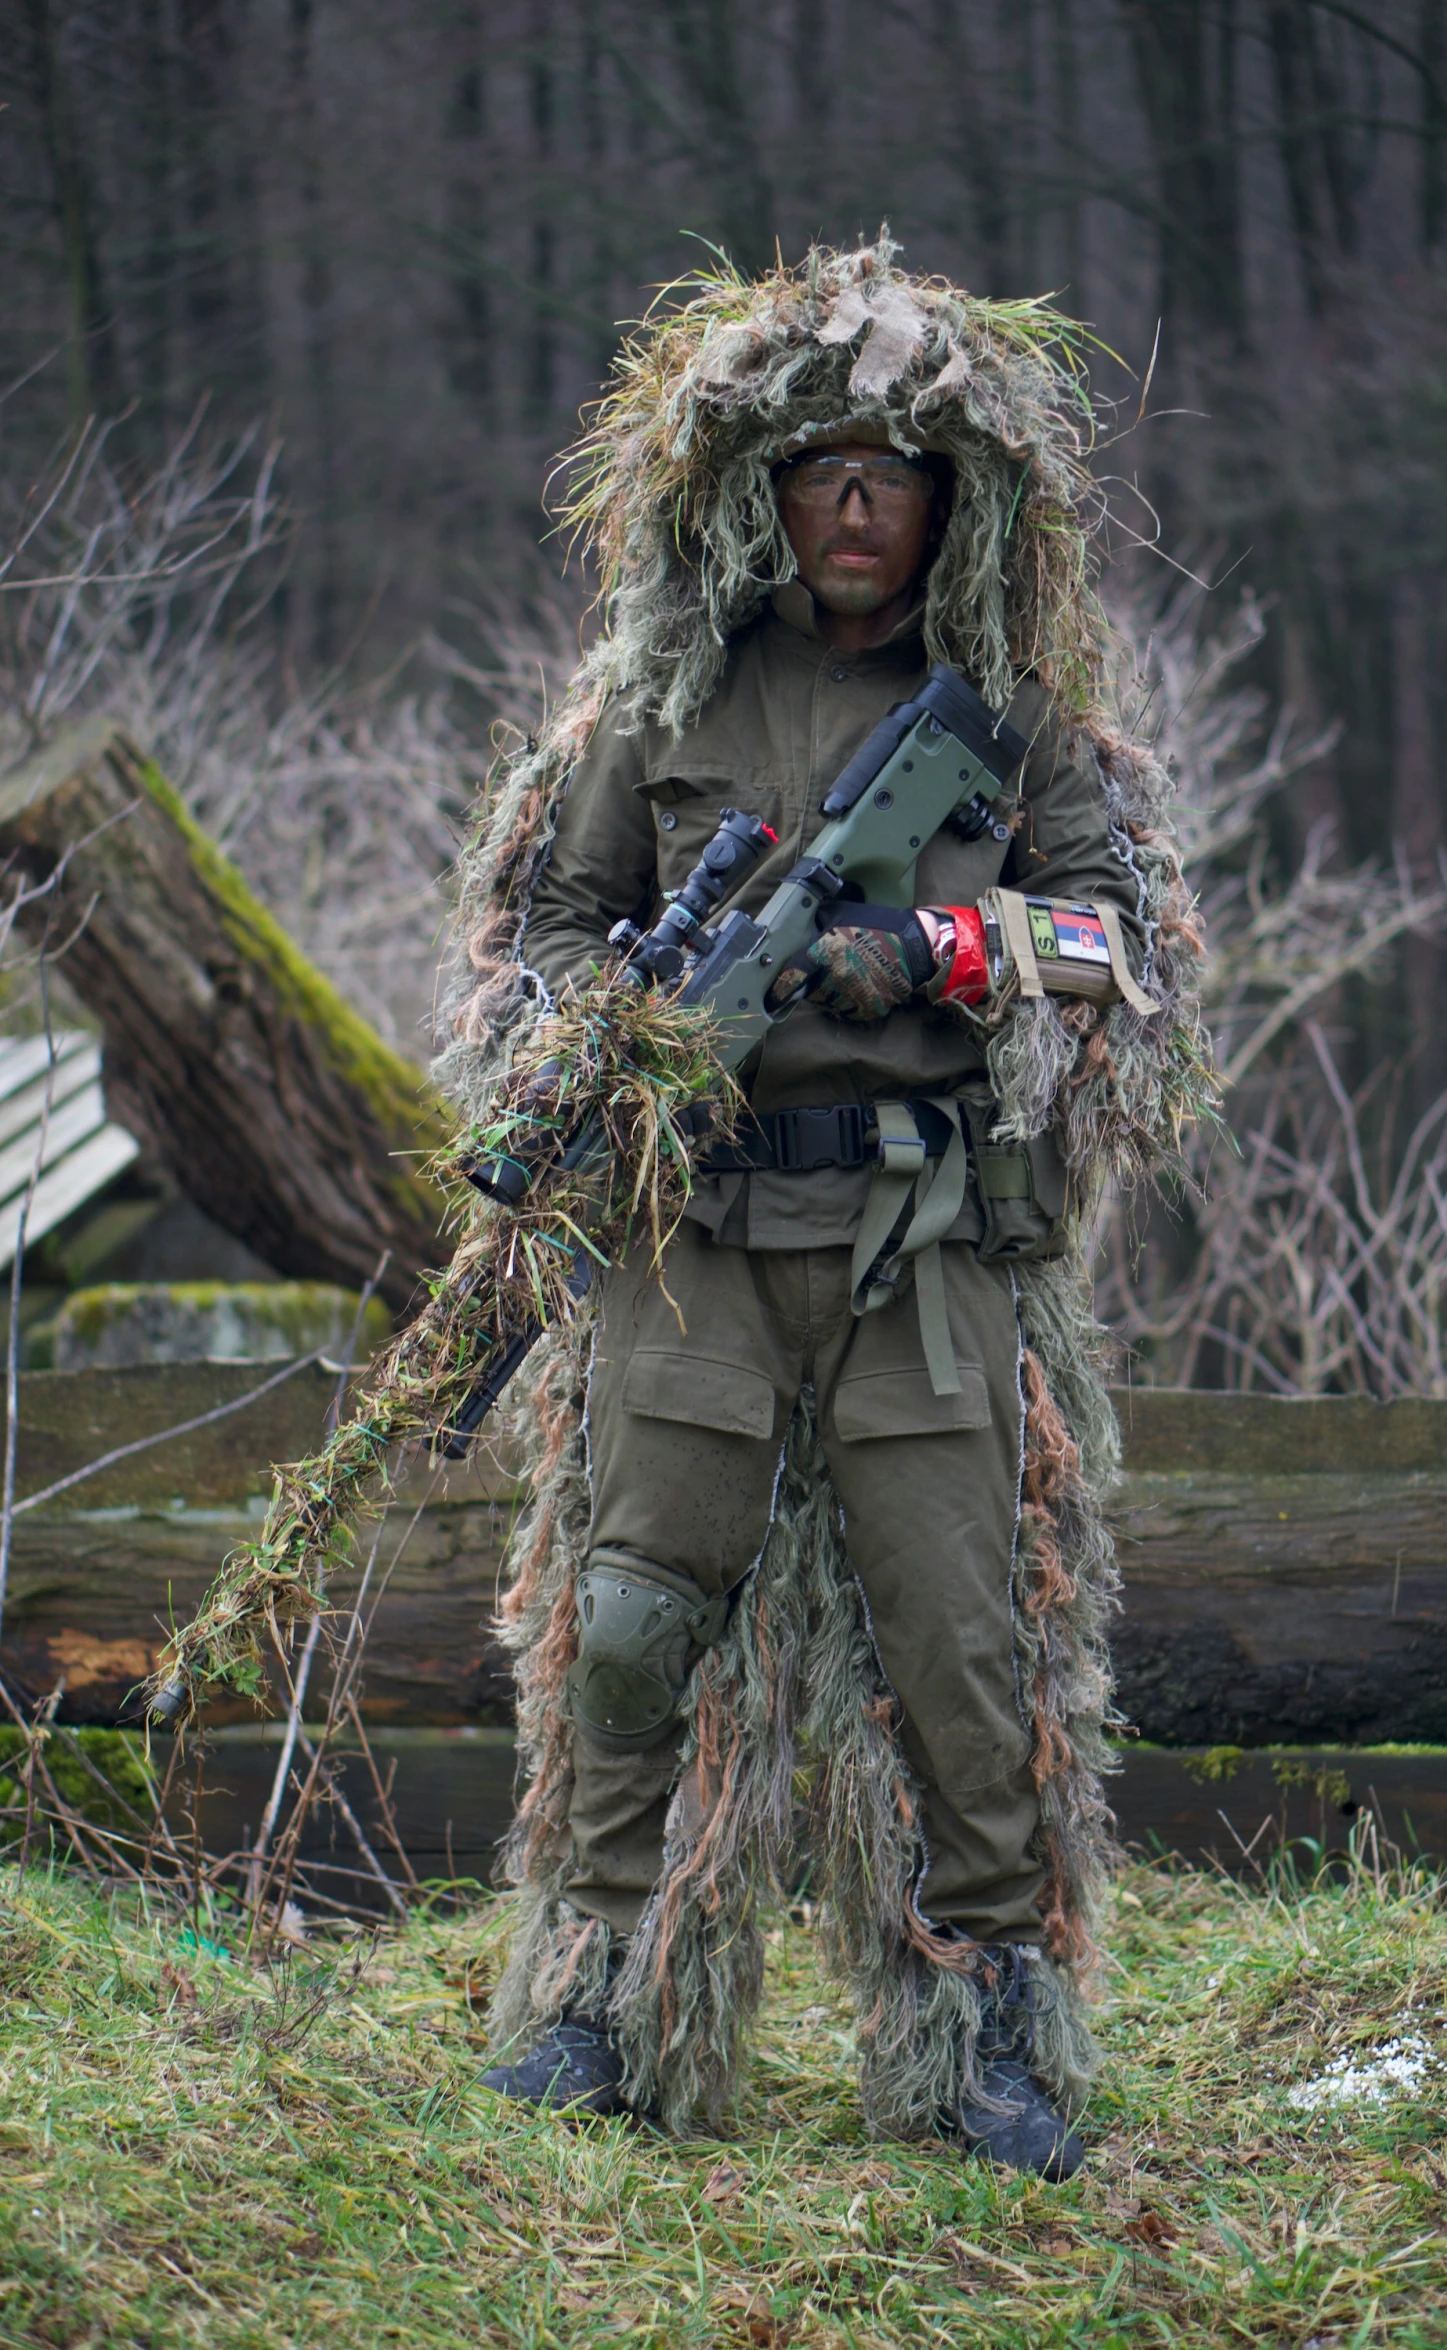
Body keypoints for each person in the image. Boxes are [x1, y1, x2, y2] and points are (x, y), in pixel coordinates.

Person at [435, 239, 1205, 2173]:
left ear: (947, 499)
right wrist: (617, 1039)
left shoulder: (1011, 724)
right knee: (623, 1630)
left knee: (963, 1654)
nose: (855, 506)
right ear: (759, 494)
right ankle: (597, 2004)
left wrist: (929, 950)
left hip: (919, 1262)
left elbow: (1118, 946)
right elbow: (546, 917)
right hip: (691, 1256)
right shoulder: (667, 702)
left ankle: (990, 2041)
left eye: (893, 472)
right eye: (819, 471)